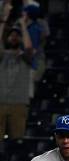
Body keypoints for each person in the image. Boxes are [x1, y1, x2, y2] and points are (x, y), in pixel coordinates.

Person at [0, 7, 33, 140]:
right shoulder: (2, 56)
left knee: (17, 141)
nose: (13, 37)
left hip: (19, 103)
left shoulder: (25, 57)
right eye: (11, 35)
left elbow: (29, 47)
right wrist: (3, 22)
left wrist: (23, 24)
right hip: (0, 102)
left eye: (17, 35)